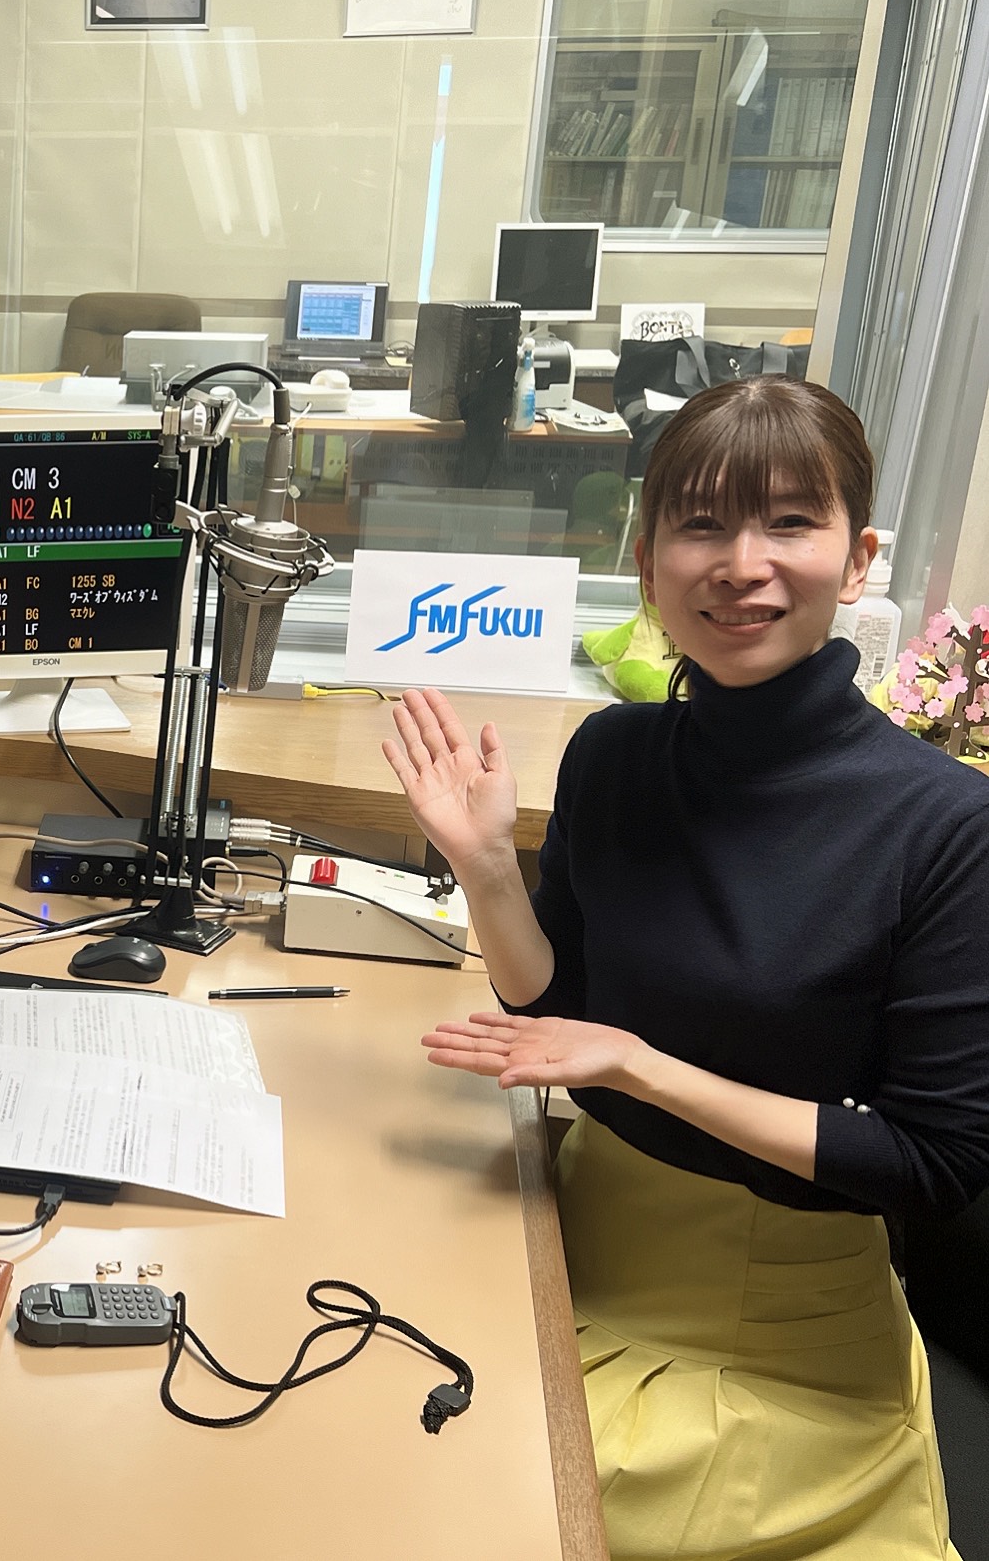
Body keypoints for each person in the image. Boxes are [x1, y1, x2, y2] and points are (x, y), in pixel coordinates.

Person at [381, 375, 986, 1560]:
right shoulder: (613, 752)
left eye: (790, 523)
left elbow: (935, 1160)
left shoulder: (944, 826)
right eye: (701, 524)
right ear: (648, 564)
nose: (740, 564)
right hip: (563, 1238)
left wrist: (642, 1067)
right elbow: (560, 1010)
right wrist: (485, 868)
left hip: (774, 1350)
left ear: (857, 559)